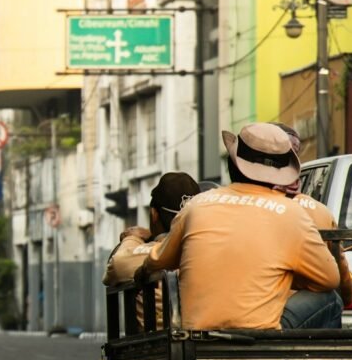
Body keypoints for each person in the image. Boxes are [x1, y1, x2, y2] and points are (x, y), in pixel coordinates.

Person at [138, 123, 341, 330]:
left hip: (196, 342)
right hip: (261, 341)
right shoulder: (293, 214)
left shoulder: (196, 206)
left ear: (233, 164)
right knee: (331, 299)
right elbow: (330, 279)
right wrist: (286, 277)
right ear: (281, 173)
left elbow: (156, 261)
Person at [271, 122, 352, 319]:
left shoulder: (214, 207)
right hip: (282, 319)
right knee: (331, 298)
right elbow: (338, 281)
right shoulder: (318, 212)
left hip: (220, 325)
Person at [102, 172, 201, 328]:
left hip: (160, 344)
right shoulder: (210, 247)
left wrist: (132, 238)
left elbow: (115, 266)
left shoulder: (150, 253)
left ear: (154, 214)